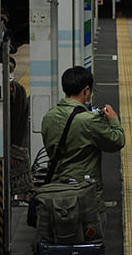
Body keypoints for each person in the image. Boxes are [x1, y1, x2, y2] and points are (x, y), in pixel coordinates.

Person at [40, 66, 125, 230]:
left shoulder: (48, 117)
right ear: (86, 90)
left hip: (57, 197)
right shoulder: (89, 120)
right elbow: (117, 141)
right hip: (85, 199)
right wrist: (113, 120)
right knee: (90, 247)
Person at [9, 57, 31, 202]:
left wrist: (15, 150)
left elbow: (23, 123)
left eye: (11, 69)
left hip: (15, 146)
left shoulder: (20, 91)